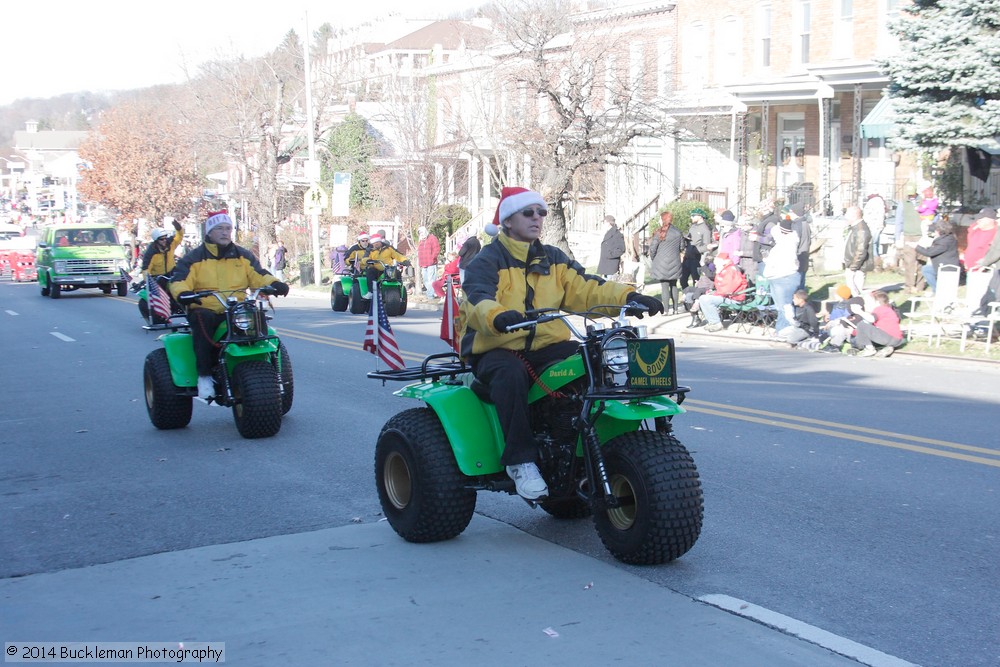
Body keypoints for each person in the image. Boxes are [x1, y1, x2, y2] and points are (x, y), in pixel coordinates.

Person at [459, 187, 663, 500]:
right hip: (496, 347)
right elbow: (477, 300)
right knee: (510, 373)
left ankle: (582, 445)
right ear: (507, 220)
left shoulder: (552, 258)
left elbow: (587, 288)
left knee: (593, 360)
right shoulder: (487, 261)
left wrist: (629, 297)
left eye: (541, 212)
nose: (538, 218)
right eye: (528, 212)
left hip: (545, 346)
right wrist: (497, 317)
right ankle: (520, 461)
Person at [170, 211, 289, 400]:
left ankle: (273, 375)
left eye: (228, 228)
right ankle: (205, 376)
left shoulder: (242, 255)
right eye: (220, 229)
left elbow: (258, 274)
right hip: (206, 306)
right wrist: (184, 294)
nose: (225, 233)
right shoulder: (194, 258)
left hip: (236, 309)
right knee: (202, 320)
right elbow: (179, 280)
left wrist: (274, 284)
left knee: (259, 322)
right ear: (209, 232)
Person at [762, 217, 800, 334]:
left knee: (784, 307)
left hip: (784, 277)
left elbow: (775, 231)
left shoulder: (787, 243)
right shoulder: (786, 240)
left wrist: (767, 260)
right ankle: (782, 329)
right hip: (777, 277)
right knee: (781, 307)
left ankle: (785, 330)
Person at [695, 252, 747, 332]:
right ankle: (712, 322)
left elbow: (728, 289)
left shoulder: (730, 270)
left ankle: (716, 323)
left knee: (706, 299)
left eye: (717, 264)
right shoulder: (725, 269)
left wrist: (715, 294)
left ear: (723, 261)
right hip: (726, 296)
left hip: (734, 298)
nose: (716, 266)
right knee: (703, 298)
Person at [649, 210, 685, 315]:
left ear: (662, 220)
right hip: (675, 262)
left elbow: (652, 249)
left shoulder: (659, 233)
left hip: (661, 263)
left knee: (664, 286)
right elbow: (682, 247)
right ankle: (675, 309)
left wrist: (654, 258)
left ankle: (665, 310)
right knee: (674, 285)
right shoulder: (678, 232)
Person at [851, 290, 904, 357]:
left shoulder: (879, 309)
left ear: (877, 302)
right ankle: (888, 348)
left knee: (861, 324)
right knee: (863, 333)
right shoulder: (887, 309)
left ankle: (869, 349)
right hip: (897, 339)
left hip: (889, 337)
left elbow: (871, 320)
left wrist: (859, 312)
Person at [915, 219, 959, 293]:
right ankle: (937, 289)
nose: (934, 233)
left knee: (927, 270)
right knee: (926, 269)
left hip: (947, 268)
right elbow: (931, 233)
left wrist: (916, 247)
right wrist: (927, 226)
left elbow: (929, 253)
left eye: (935, 231)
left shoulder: (944, 242)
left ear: (939, 231)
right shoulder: (947, 237)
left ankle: (937, 291)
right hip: (941, 265)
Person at [895, 186, 925, 293]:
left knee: (922, 262)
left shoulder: (923, 201)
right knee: (909, 262)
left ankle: (920, 286)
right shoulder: (903, 203)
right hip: (908, 235)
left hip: (922, 235)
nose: (910, 196)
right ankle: (909, 286)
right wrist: (897, 237)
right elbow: (899, 220)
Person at [843, 205, 874, 296]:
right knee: (852, 292)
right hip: (853, 266)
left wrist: (853, 267)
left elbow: (861, 251)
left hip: (858, 268)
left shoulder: (861, 230)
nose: (845, 216)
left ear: (854, 215)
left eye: (847, 214)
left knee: (855, 294)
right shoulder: (855, 227)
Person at [681, 208, 712, 288]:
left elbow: (707, 246)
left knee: (696, 281)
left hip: (696, 259)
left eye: (693, 215)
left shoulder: (705, 229)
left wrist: (695, 250)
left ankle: (696, 298)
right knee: (682, 280)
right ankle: (686, 297)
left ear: (700, 216)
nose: (691, 217)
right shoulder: (692, 227)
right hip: (687, 257)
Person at [597, 214, 626, 279]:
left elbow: (621, 249)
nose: (603, 224)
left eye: (604, 222)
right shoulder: (608, 233)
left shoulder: (617, 234)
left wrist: (610, 254)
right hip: (605, 266)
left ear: (608, 223)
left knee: (610, 287)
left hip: (611, 266)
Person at [417, 226, 441, 299]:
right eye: (420, 233)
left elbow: (436, 249)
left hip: (431, 263)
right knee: (425, 280)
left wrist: (432, 258)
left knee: (431, 280)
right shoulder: (421, 241)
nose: (421, 234)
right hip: (423, 264)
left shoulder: (432, 238)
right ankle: (430, 293)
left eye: (422, 232)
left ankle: (430, 295)